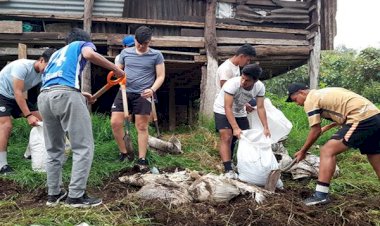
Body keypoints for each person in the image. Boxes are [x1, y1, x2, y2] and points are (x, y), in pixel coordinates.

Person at [38, 28, 125, 207]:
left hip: (45, 97)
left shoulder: (54, 55)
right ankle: (76, 196)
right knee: (83, 146)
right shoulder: (81, 45)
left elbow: (56, 79)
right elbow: (89, 54)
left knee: (54, 150)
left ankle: (54, 195)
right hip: (66, 95)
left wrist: (80, 92)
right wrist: (117, 70)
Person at [286, 83, 380, 206]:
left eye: (295, 100)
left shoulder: (310, 99)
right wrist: (326, 128)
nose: (297, 104)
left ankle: (320, 195)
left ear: (302, 92)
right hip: (375, 116)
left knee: (327, 151)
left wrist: (303, 151)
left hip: (361, 117)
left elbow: (315, 130)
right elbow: (342, 111)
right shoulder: (325, 92)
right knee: (374, 154)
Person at [111, 26, 165, 166]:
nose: (141, 46)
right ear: (135, 40)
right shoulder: (125, 53)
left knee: (141, 126)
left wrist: (152, 89)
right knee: (115, 123)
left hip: (143, 94)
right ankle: (124, 153)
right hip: (124, 91)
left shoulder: (156, 55)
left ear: (149, 41)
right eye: (138, 43)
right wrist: (118, 76)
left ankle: (142, 158)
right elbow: (118, 70)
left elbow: (160, 76)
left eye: (144, 43)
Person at [0, 48, 55, 175]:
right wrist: (29, 115)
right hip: (2, 94)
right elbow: (18, 92)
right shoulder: (22, 66)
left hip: (14, 97)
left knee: (43, 121)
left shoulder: (44, 73)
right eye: (48, 66)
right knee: (5, 125)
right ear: (41, 60)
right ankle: (2, 165)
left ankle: (29, 154)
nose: (49, 70)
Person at [213, 63, 270, 178]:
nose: (243, 82)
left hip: (240, 111)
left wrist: (266, 128)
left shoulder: (260, 87)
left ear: (255, 80)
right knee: (227, 137)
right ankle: (228, 169)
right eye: (242, 78)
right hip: (222, 110)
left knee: (244, 138)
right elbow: (227, 107)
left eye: (247, 80)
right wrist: (235, 127)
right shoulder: (232, 84)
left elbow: (260, 107)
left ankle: (240, 164)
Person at [215, 44, 256, 161]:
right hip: (224, 106)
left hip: (236, 106)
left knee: (240, 135)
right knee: (226, 137)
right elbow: (227, 91)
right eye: (248, 60)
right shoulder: (226, 69)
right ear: (242, 56)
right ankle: (227, 166)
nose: (248, 63)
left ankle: (236, 160)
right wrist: (244, 103)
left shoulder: (236, 67)